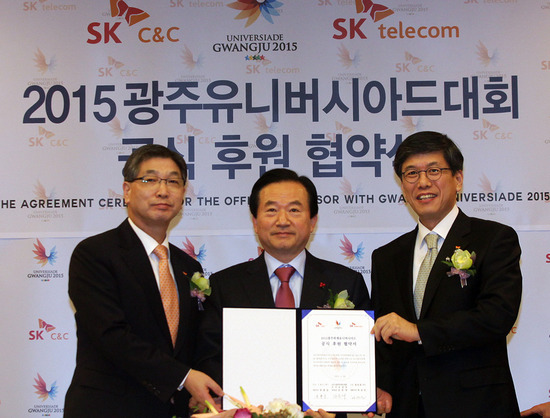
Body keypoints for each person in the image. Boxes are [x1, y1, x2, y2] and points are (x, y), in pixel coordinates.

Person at [370, 131, 522, 417]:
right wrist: (381, 384)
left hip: (477, 406)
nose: (423, 182)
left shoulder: (493, 238)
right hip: (408, 407)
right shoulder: (386, 257)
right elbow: (384, 335)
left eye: (434, 170)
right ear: (402, 185)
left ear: (458, 179)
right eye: (411, 173)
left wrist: (419, 331)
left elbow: (497, 315)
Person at [64, 144, 222, 417]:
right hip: (108, 408)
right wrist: (184, 377)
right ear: (127, 191)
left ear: (183, 193)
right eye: (150, 180)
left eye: (173, 181)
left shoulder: (189, 267)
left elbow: (195, 339)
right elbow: (111, 335)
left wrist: (204, 384)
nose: (163, 190)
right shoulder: (94, 254)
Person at [195, 168, 370, 402]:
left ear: (312, 222)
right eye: (271, 210)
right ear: (255, 222)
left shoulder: (346, 282)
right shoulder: (223, 285)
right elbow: (210, 356)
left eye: (294, 210)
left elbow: (362, 358)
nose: (283, 221)